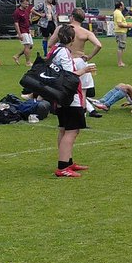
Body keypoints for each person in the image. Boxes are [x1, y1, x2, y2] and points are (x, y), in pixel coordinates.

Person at [49, 24, 89, 178]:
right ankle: (63, 166)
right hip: (70, 97)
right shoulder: (64, 52)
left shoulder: (55, 50)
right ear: (72, 39)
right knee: (72, 131)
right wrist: (84, 70)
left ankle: (68, 161)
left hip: (59, 96)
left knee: (65, 128)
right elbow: (69, 75)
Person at [11, 0, 33, 66]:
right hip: (22, 30)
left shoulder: (26, 11)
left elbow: (28, 17)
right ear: (21, 3)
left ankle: (17, 56)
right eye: (25, 4)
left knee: (30, 46)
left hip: (27, 30)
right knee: (27, 46)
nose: (27, 5)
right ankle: (28, 62)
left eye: (27, 4)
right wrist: (19, 34)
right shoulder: (17, 12)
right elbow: (16, 23)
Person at [112, 1, 132, 67]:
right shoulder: (118, 13)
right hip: (120, 32)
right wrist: (128, 25)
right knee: (121, 47)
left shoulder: (116, 12)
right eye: (123, 5)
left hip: (119, 31)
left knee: (121, 47)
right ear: (120, 6)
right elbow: (119, 24)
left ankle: (120, 62)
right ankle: (120, 62)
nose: (124, 6)